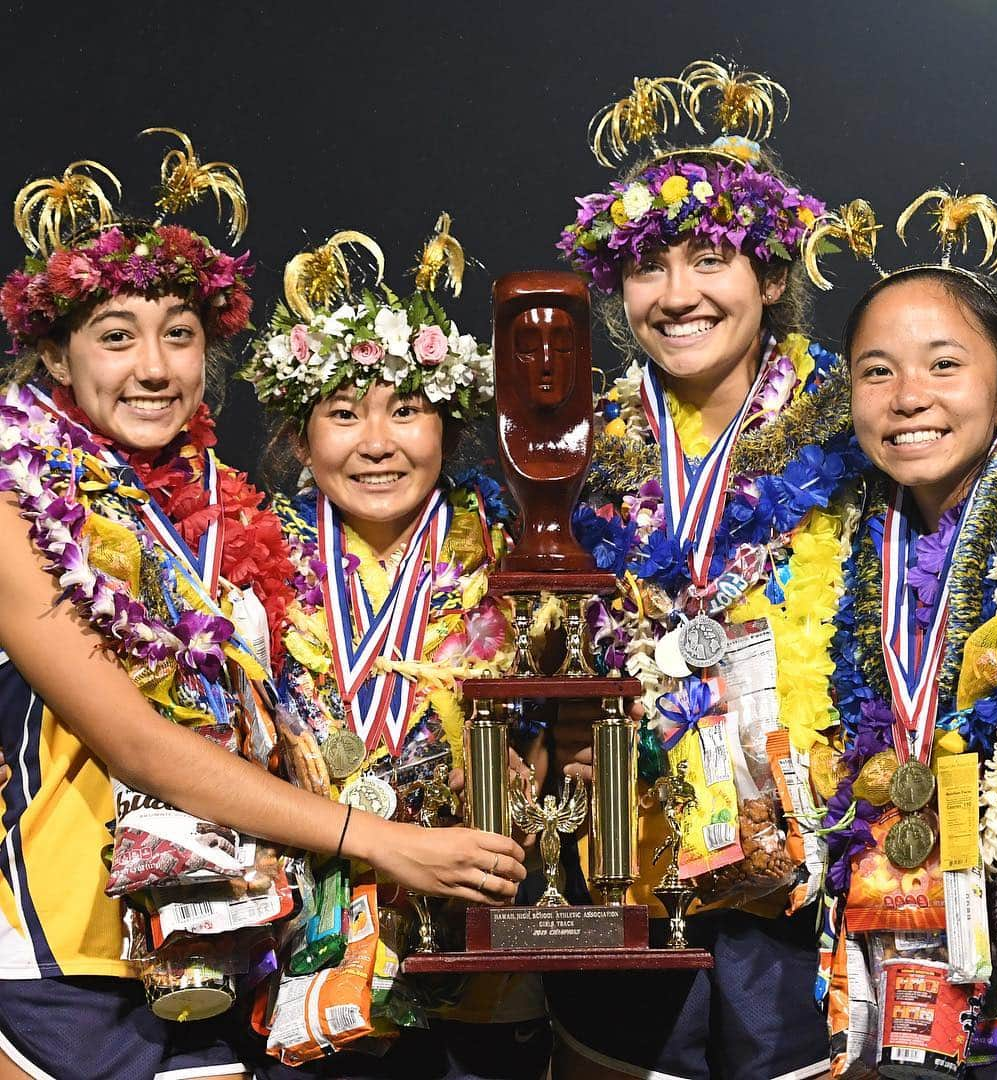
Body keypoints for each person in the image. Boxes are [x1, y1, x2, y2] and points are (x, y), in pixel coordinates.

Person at [0, 143, 524, 1080]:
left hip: (224, 946)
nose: (153, 366)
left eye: (180, 334)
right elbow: (137, 745)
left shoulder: (222, 504)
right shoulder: (16, 500)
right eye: (115, 335)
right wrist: (384, 841)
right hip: (66, 957)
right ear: (52, 352)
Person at [546, 58, 861, 1080]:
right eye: (647, 266)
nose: (677, 295)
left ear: (773, 277)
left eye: (712, 259)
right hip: (635, 869)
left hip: (807, 868)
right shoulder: (576, 454)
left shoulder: (858, 428)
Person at [241, 224, 550, 1077]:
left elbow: (563, 735)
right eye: (343, 414)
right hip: (301, 952)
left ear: (450, 427)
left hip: (482, 951)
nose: (376, 442)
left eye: (405, 410)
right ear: (301, 441)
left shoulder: (518, 555)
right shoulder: (247, 559)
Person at [804, 189, 997, 1079]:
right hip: (896, 933)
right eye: (876, 371)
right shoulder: (848, 540)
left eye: (944, 364)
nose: (907, 396)